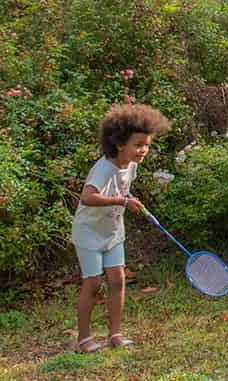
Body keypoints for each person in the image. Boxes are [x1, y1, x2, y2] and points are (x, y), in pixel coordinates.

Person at [72, 103, 169, 353]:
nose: (143, 150)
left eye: (146, 145)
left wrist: (129, 200)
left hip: (113, 232)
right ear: (118, 144)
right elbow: (87, 197)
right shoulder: (104, 168)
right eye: (138, 145)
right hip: (89, 233)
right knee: (92, 284)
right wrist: (123, 201)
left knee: (118, 281)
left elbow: (122, 189)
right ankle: (84, 339)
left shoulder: (131, 166)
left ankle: (115, 335)